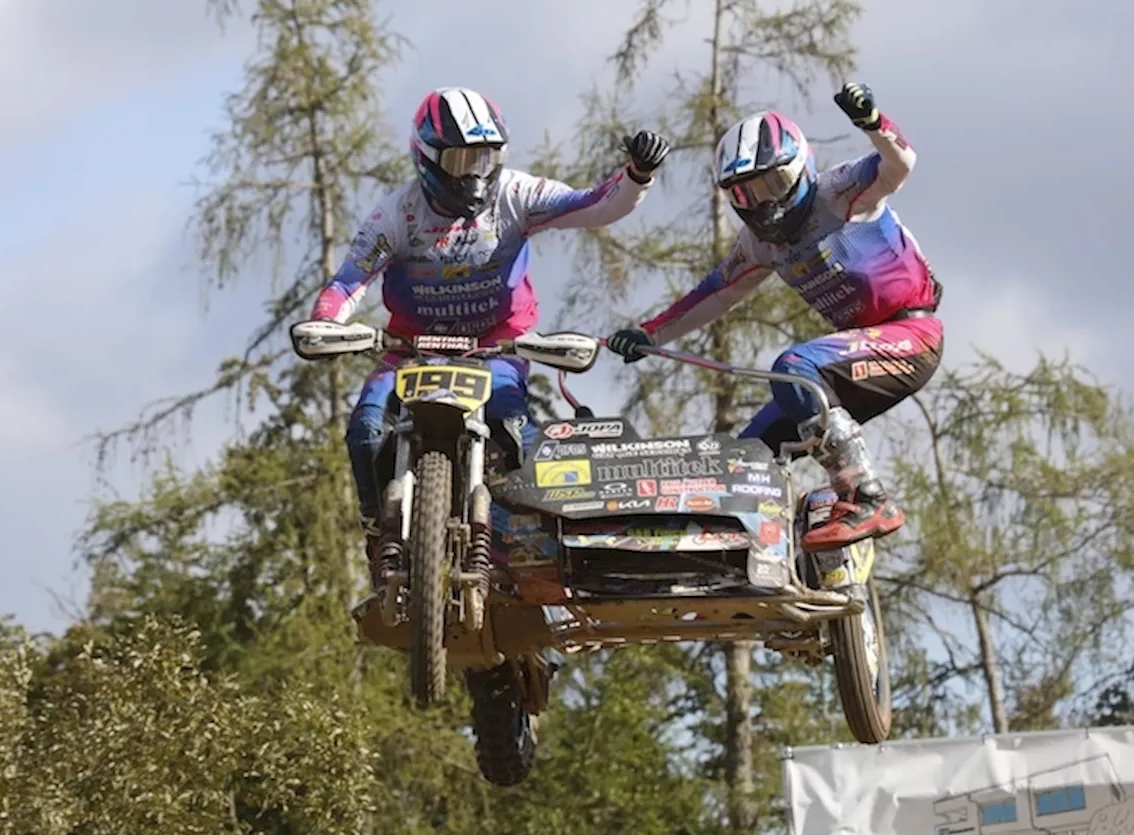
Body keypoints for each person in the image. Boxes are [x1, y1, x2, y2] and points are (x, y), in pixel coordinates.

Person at [309, 86, 670, 585]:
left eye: (486, 157)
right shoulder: (396, 214)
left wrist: (637, 177)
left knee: (509, 427)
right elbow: (350, 280)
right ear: (427, 159)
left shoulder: (516, 195)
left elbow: (594, 206)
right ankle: (379, 537)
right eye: (461, 159)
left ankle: (516, 544)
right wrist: (327, 325)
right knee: (367, 429)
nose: (475, 173)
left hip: (495, 344)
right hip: (412, 347)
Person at [606, 82, 942, 553]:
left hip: (912, 332)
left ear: (800, 169)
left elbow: (899, 165)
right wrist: (648, 334)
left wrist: (873, 122)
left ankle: (867, 495)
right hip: (856, 356)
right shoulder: (760, 243)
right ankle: (755, 547)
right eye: (745, 194)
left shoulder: (840, 191)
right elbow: (717, 294)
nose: (763, 203)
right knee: (748, 453)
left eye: (772, 185)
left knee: (794, 370)